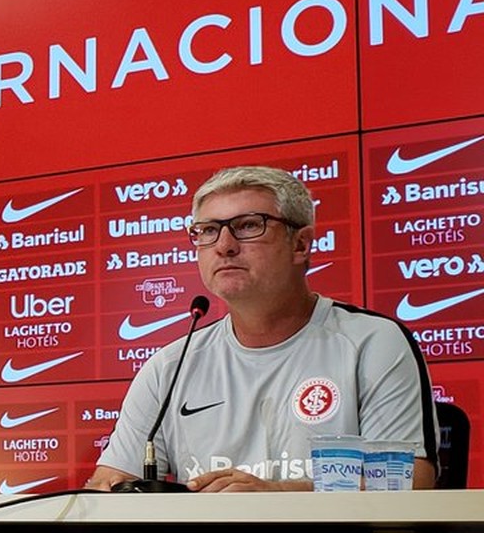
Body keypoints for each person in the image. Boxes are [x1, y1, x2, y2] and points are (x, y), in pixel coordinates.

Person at [88, 165, 438, 492]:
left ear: (300, 244)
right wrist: (110, 489)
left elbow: (410, 480)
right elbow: (111, 481)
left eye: (248, 225)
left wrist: (275, 496)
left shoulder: (371, 342)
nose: (224, 246)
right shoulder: (170, 366)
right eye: (208, 231)